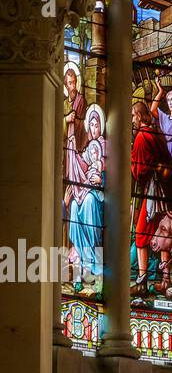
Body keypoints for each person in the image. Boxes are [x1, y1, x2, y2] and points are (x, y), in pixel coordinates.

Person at [130, 100, 172, 294]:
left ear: (140, 116)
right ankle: (166, 279)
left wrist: (131, 166)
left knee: (141, 231)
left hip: (151, 190)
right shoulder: (156, 133)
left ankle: (142, 280)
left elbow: (140, 170)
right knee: (162, 232)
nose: (132, 120)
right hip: (164, 191)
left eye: (134, 116)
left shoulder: (142, 137)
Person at [66, 105, 106, 291]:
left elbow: (117, 178)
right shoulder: (88, 150)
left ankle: (94, 263)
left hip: (98, 199)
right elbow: (78, 164)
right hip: (86, 195)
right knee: (74, 205)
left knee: (89, 199)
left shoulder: (107, 148)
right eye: (91, 125)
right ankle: (80, 257)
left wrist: (102, 178)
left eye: (96, 125)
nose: (94, 129)